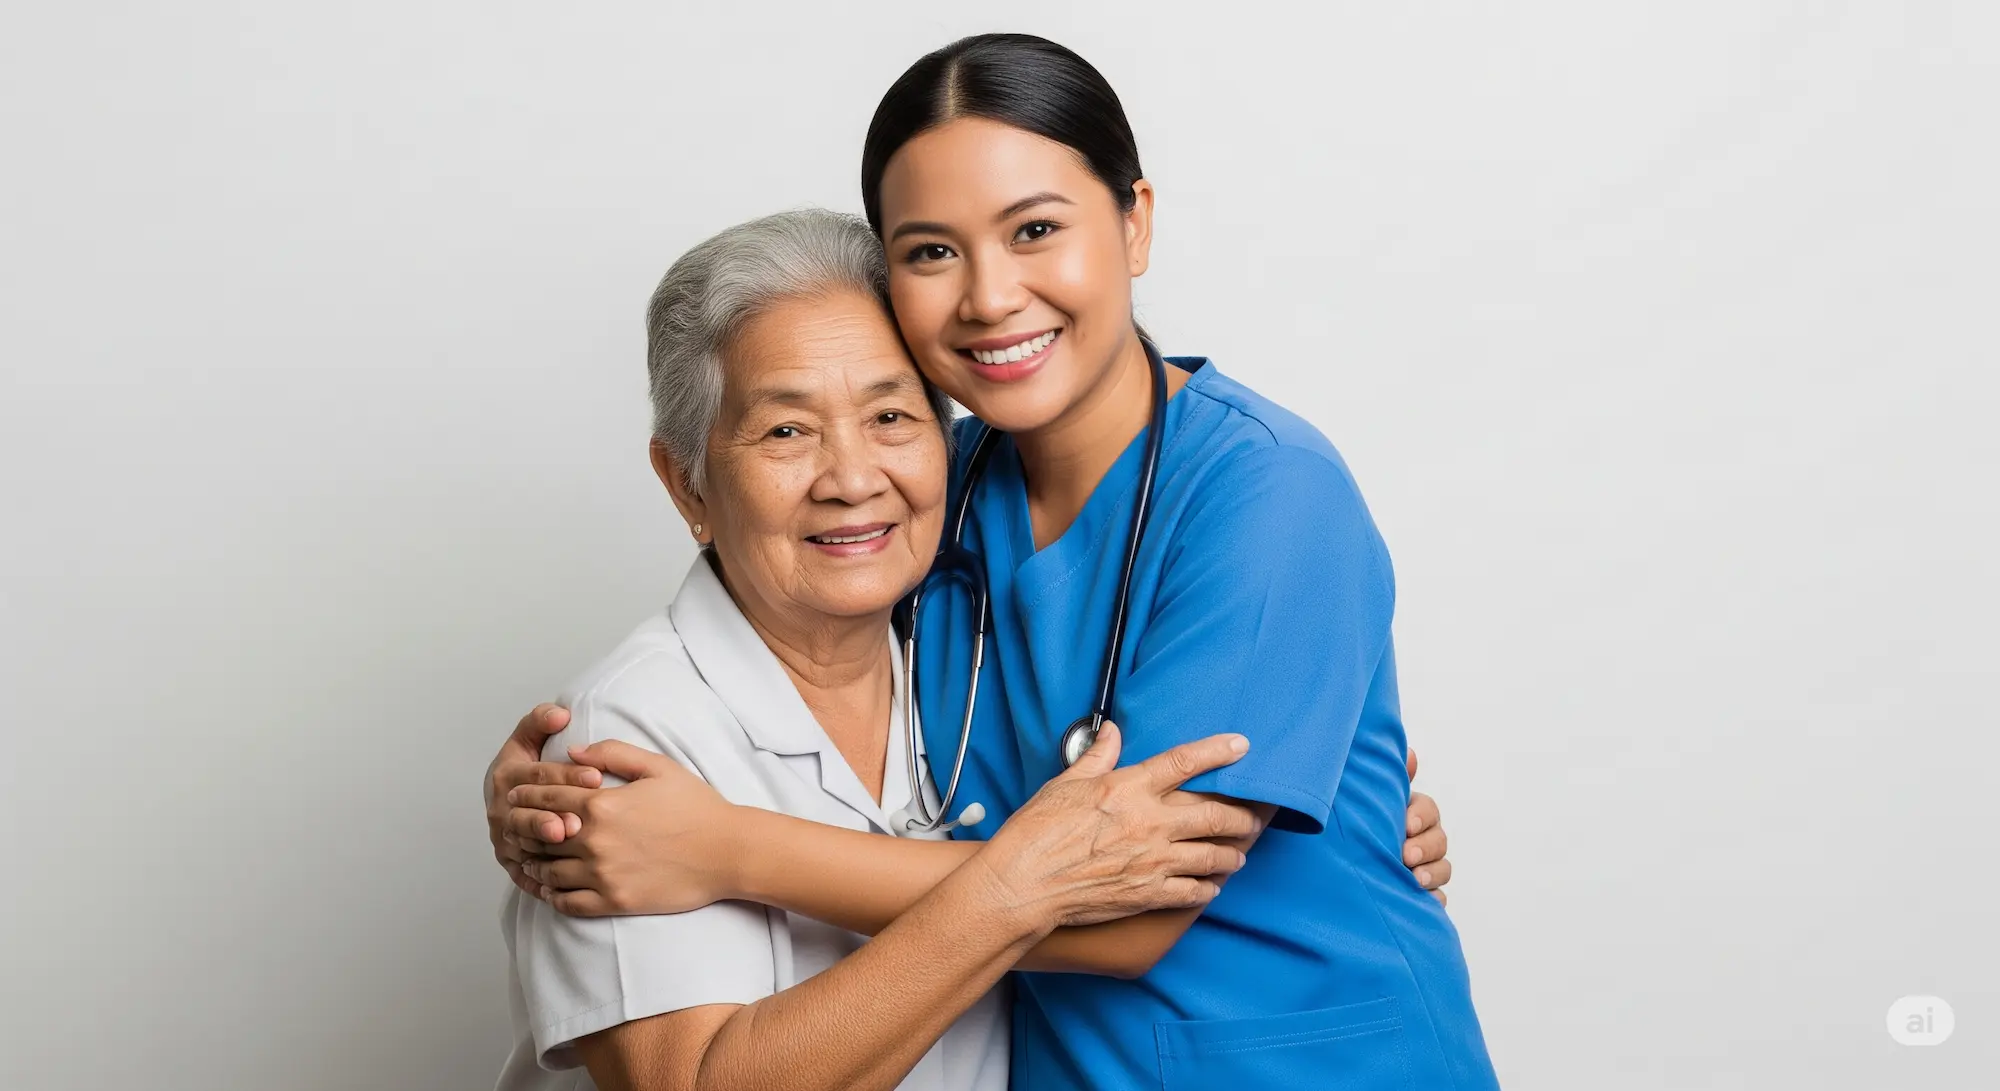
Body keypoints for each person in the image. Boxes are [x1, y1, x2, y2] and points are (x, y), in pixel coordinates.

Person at [494, 31, 1495, 1090]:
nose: (987, 295)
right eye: (930, 251)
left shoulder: (1267, 491)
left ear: (1133, 220)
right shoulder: (924, 492)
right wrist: (544, 785)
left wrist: (721, 845)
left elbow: (1128, 906)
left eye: (1034, 229)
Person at [493, 207, 1278, 1091]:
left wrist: (1355, 825)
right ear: (687, 483)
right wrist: (1012, 890)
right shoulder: (624, 737)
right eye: (787, 430)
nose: (854, 478)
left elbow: (1160, 843)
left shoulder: (966, 652)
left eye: (893, 416)